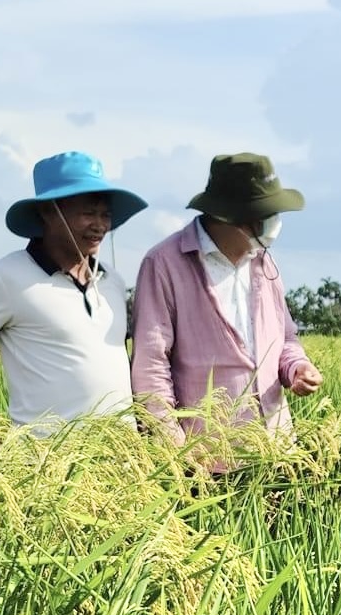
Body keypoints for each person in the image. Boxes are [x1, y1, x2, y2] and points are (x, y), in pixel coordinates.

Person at [0, 151, 145, 446]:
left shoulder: (113, 282)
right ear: (48, 212)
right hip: (47, 464)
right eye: (88, 213)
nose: (99, 225)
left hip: (122, 461)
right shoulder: (5, 277)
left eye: (105, 215)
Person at [130, 153, 322, 447]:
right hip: (204, 457)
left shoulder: (263, 262)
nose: (273, 224)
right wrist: (175, 446)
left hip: (274, 447)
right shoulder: (165, 264)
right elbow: (150, 364)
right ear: (229, 217)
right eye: (263, 217)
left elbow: (285, 339)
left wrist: (296, 368)